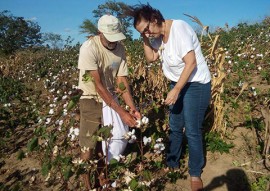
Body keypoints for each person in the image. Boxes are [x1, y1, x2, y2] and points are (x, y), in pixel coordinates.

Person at [129, 3, 211, 191]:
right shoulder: (156, 36)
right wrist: (144, 37)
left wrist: (176, 90)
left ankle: (195, 172)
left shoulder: (179, 28)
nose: (147, 34)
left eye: (147, 29)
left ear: (155, 20)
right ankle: (172, 162)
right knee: (174, 126)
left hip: (196, 84)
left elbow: (191, 63)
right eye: (142, 32)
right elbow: (151, 58)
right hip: (178, 84)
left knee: (192, 129)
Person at [77, 14, 141, 190]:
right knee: (88, 146)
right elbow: (97, 85)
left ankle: (102, 179)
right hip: (90, 98)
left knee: (105, 144)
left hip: (111, 98)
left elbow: (121, 81)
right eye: (110, 38)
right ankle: (87, 183)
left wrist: (132, 108)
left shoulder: (120, 49)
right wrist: (122, 113)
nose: (113, 42)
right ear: (99, 33)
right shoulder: (89, 48)